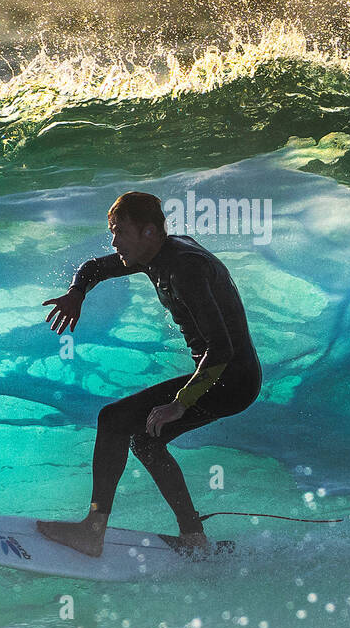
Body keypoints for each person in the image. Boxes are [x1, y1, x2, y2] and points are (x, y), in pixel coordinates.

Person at [38, 191, 262, 557]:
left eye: (120, 231)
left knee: (113, 420)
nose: (113, 241)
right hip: (225, 375)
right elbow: (95, 267)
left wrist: (179, 404)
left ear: (148, 232)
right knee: (145, 439)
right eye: (112, 232)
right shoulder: (157, 254)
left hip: (230, 378)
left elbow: (221, 348)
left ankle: (93, 530)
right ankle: (193, 539)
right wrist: (77, 292)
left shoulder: (184, 268)